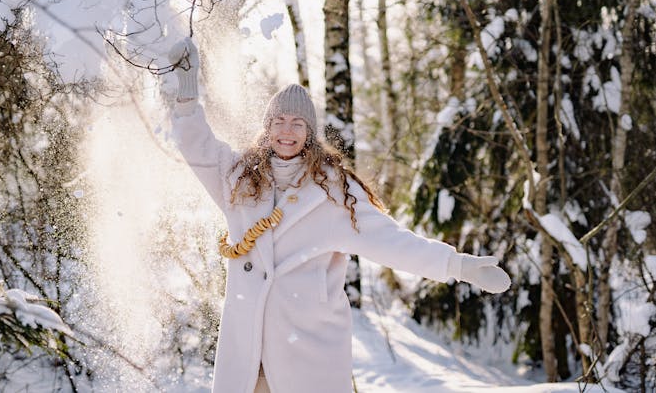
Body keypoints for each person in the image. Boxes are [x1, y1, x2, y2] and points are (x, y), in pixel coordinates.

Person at [164, 38, 511, 393]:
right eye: (279, 121)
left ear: (310, 134)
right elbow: (199, 148)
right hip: (249, 355)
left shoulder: (332, 193)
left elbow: (391, 241)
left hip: (307, 351)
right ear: (267, 128)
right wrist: (188, 100)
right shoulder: (239, 179)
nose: (287, 131)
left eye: (297, 123)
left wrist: (456, 265)